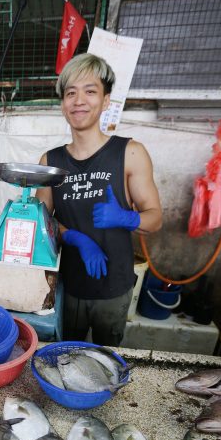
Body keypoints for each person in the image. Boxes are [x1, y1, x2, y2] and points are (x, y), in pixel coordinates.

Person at [37, 53, 162, 346]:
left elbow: (155, 218)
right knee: (65, 354)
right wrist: (75, 238)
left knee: (105, 359)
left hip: (114, 287)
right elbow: (42, 223)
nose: (79, 100)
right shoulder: (50, 161)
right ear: (63, 105)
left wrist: (126, 217)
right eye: (71, 93)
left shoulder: (130, 153)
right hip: (65, 286)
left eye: (90, 91)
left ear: (106, 101)